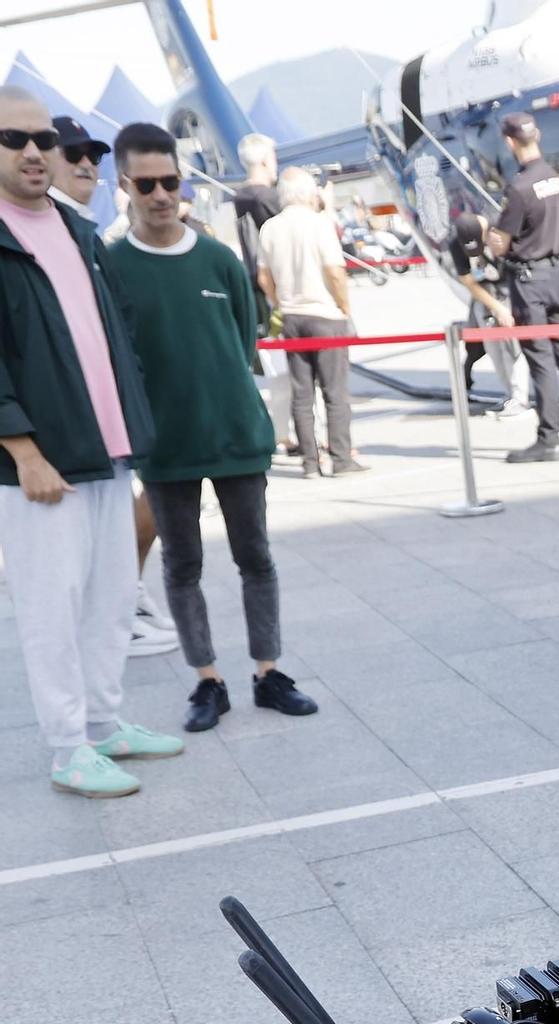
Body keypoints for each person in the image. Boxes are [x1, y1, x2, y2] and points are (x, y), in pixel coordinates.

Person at [105, 122, 319, 735]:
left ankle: (268, 672)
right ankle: (207, 681)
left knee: (257, 557)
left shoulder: (219, 259)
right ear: (125, 186)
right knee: (182, 565)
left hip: (235, 434)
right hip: (166, 444)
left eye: (170, 181)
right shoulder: (113, 267)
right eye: (146, 184)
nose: (161, 194)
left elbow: (245, 337)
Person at [0, 85, 183, 797]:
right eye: (14, 140)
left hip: (108, 447)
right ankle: (67, 746)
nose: (36, 152)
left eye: (44, 138)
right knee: (52, 605)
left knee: (112, 597)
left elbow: (113, 334)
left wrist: (133, 424)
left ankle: (105, 724)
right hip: (44, 462)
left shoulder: (76, 229)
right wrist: (22, 449)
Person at [49, 112, 178, 655]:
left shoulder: (80, 230)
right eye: (72, 153)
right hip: (69, 425)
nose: (86, 162)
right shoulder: (45, 233)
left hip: (108, 414)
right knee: (79, 546)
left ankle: (120, 608)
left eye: (93, 155)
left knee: (114, 523)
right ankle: (111, 619)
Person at [487, 114, 559, 463]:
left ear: (509, 142)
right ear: (537, 136)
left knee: (539, 358)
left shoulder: (519, 187)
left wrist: (489, 236)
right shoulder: (555, 178)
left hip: (528, 280)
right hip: (555, 276)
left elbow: (501, 244)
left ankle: (548, 439)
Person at [258, 165, 364, 477]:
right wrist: (344, 307)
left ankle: (309, 461)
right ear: (308, 193)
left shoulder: (270, 228)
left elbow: (264, 276)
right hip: (325, 313)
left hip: (292, 315)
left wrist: (280, 301)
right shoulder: (319, 224)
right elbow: (335, 270)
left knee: (301, 394)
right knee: (335, 392)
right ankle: (342, 458)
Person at [232, 131, 295, 458]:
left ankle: (282, 432)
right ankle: (285, 433)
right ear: (266, 160)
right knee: (288, 371)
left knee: (274, 372)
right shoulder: (267, 199)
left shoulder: (238, 197)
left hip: (255, 291)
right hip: (275, 292)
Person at [447, 211, 530, 417]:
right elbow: (469, 282)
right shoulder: (456, 245)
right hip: (484, 296)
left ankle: (521, 399)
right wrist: (495, 307)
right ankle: (509, 394)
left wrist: (506, 307)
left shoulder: (499, 227)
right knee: (493, 348)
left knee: (512, 346)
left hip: (510, 290)